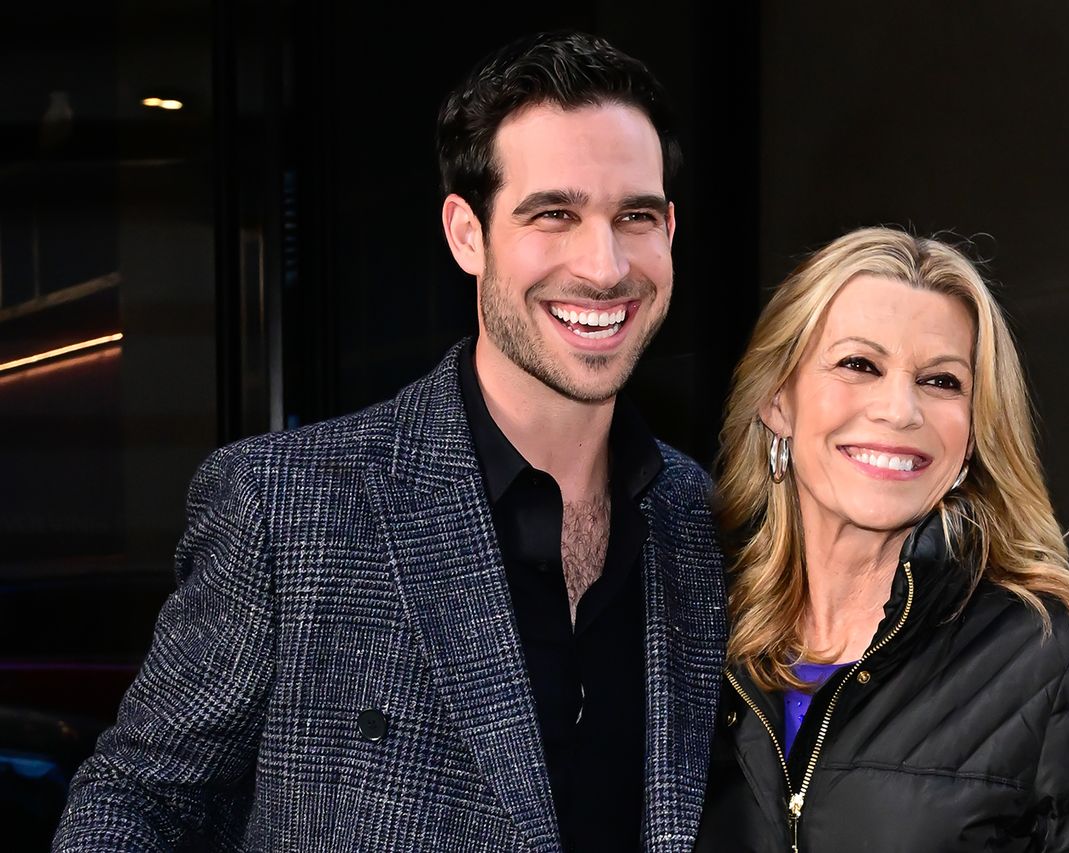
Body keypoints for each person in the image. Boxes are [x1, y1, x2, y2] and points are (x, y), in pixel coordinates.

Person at [54, 31, 725, 853]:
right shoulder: (286, 507)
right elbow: (137, 806)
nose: (604, 263)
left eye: (636, 216)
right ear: (466, 234)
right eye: (554, 214)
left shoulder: (704, 522)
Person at [695, 226, 1069, 851]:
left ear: (974, 433)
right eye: (859, 365)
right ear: (777, 401)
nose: (900, 410)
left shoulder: (1060, 659)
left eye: (941, 381)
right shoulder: (692, 627)